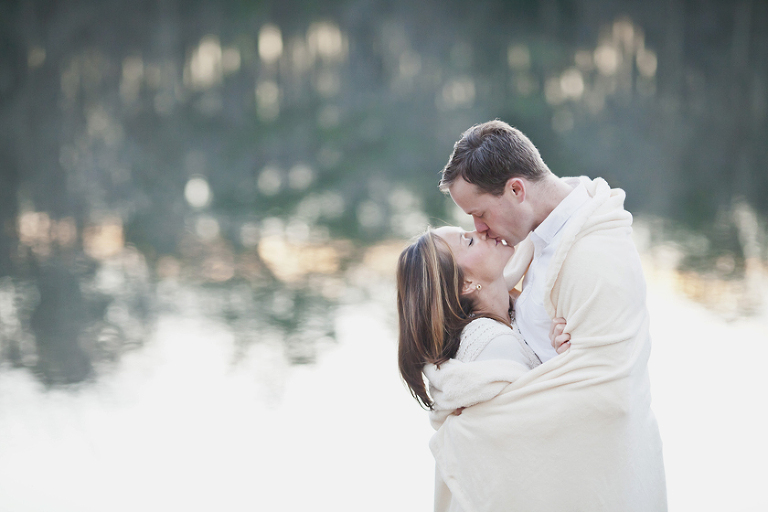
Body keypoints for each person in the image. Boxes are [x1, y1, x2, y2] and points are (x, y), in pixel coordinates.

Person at [408, 120, 666, 511]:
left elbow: (610, 399)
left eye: (479, 214)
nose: (479, 228)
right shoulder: (537, 242)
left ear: (516, 190)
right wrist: (558, 357)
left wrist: (463, 434)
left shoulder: (594, 257)